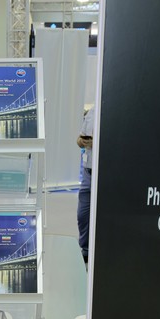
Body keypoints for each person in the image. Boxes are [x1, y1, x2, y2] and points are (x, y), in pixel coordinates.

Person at [76, 106, 94, 264]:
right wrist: (82, 141)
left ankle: (94, 251)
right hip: (87, 172)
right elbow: (79, 140)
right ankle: (85, 250)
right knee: (83, 215)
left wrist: (97, 142)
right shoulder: (91, 112)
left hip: (104, 171)